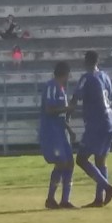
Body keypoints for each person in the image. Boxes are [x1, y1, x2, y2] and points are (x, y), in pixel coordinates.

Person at [70, 51, 112, 206]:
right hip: (110, 121)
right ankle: (99, 199)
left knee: (81, 159)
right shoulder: (105, 76)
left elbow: (76, 96)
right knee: (100, 161)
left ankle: (107, 188)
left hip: (96, 124)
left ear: (85, 62)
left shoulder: (87, 77)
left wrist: (67, 116)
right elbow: (111, 97)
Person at [40, 61, 77, 209]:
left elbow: (61, 115)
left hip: (61, 131)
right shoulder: (51, 86)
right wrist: (67, 108)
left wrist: (69, 130)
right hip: (51, 131)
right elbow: (49, 110)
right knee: (61, 163)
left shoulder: (61, 89)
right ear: (66, 74)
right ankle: (50, 198)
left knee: (69, 163)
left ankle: (65, 200)